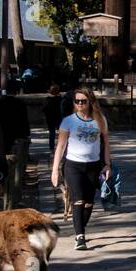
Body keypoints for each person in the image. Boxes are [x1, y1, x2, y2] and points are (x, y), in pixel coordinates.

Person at [51, 86, 110, 250]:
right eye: (77, 101)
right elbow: (61, 146)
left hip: (94, 165)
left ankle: (80, 228)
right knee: (79, 199)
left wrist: (107, 165)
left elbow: (106, 144)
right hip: (73, 165)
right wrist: (55, 169)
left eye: (83, 101)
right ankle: (80, 237)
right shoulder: (68, 121)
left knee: (89, 202)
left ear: (90, 102)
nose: (80, 104)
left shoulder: (100, 120)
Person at [0, 78, 31, 208]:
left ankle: (4, 190)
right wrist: (26, 134)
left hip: (2, 138)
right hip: (16, 138)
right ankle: (12, 197)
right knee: (15, 170)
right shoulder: (19, 104)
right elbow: (24, 121)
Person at [42, 83, 63, 155]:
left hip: (50, 119)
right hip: (59, 118)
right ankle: (61, 148)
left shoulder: (47, 99)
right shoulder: (60, 99)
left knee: (52, 134)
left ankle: (51, 150)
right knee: (61, 134)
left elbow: (44, 109)